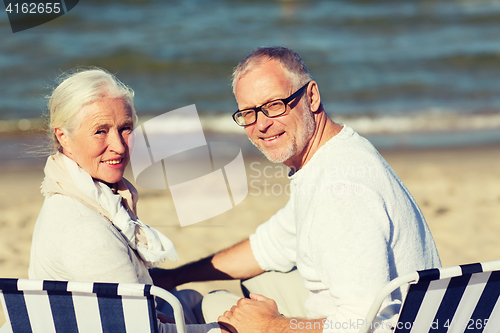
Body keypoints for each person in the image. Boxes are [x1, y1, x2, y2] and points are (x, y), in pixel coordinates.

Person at [150, 47, 441, 333]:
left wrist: (272, 326)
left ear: (311, 96)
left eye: (274, 104)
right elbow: (270, 245)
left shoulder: (340, 191)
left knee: (214, 308)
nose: (262, 124)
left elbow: (371, 324)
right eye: (248, 113)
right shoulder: (334, 155)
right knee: (254, 284)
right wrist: (173, 276)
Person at [25, 68, 227, 333]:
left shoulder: (77, 195)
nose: (119, 146)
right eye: (101, 131)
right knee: (224, 307)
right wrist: (227, 329)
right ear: (64, 136)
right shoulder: (85, 228)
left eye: (125, 129)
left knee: (197, 298)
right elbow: (140, 329)